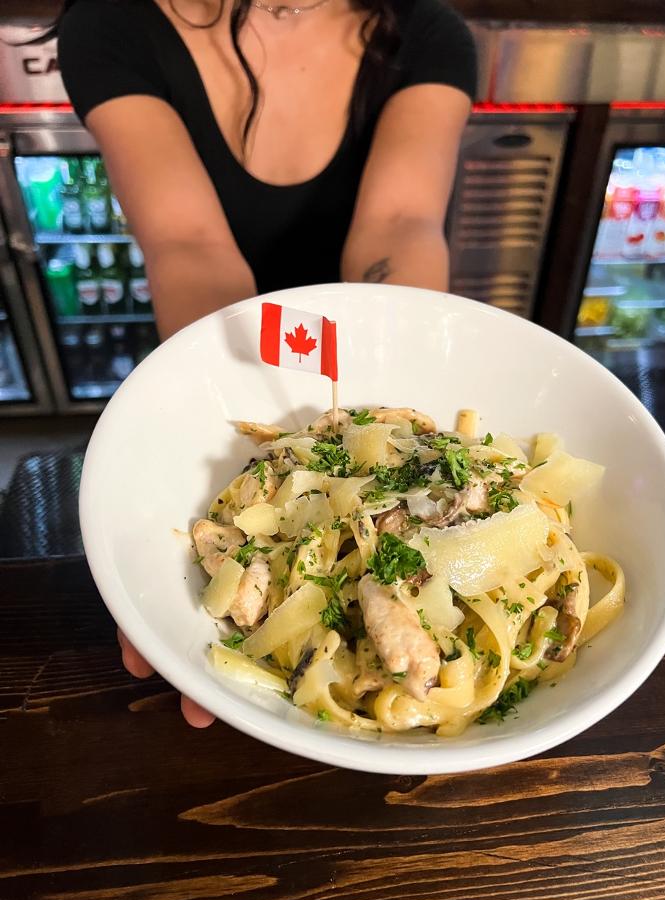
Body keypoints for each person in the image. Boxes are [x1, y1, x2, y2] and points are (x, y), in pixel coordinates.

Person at [58, 0, 477, 725]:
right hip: (211, 355)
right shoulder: (111, 22)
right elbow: (189, 244)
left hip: (359, 356)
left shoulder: (430, 32)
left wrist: (397, 447)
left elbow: (400, 225)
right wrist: (194, 444)